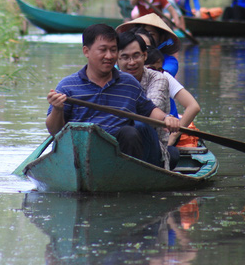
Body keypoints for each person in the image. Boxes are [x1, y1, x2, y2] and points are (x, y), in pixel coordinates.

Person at [46, 24, 181, 168]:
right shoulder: (67, 86)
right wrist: (57, 109)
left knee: (130, 132)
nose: (109, 56)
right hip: (79, 154)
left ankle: (128, 178)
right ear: (86, 51)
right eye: (103, 50)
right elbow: (55, 131)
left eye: (113, 50)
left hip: (118, 155)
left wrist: (166, 119)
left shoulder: (129, 83)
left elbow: (149, 110)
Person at [117, 30, 179, 169]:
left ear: (145, 56)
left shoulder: (158, 77)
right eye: (125, 57)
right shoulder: (111, 78)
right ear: (117, 59)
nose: (131, 62)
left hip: (151, 145)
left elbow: (149, 112)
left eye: (136, 56)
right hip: (118, 143)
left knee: (138, 127)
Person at [145, 47, 201, 147]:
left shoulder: (164, 76)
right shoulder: (125, 76)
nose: (156, 74)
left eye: (159, 70)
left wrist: (173, 137)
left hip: (163, 133)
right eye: (152, 69)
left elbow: (194, 106)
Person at [117, 13, 181, 77]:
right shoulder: (123, 60)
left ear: (161, 38)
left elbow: (165, 75)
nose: (144, 37)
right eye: (141, 33)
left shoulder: (169, 61)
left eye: (150, 33)